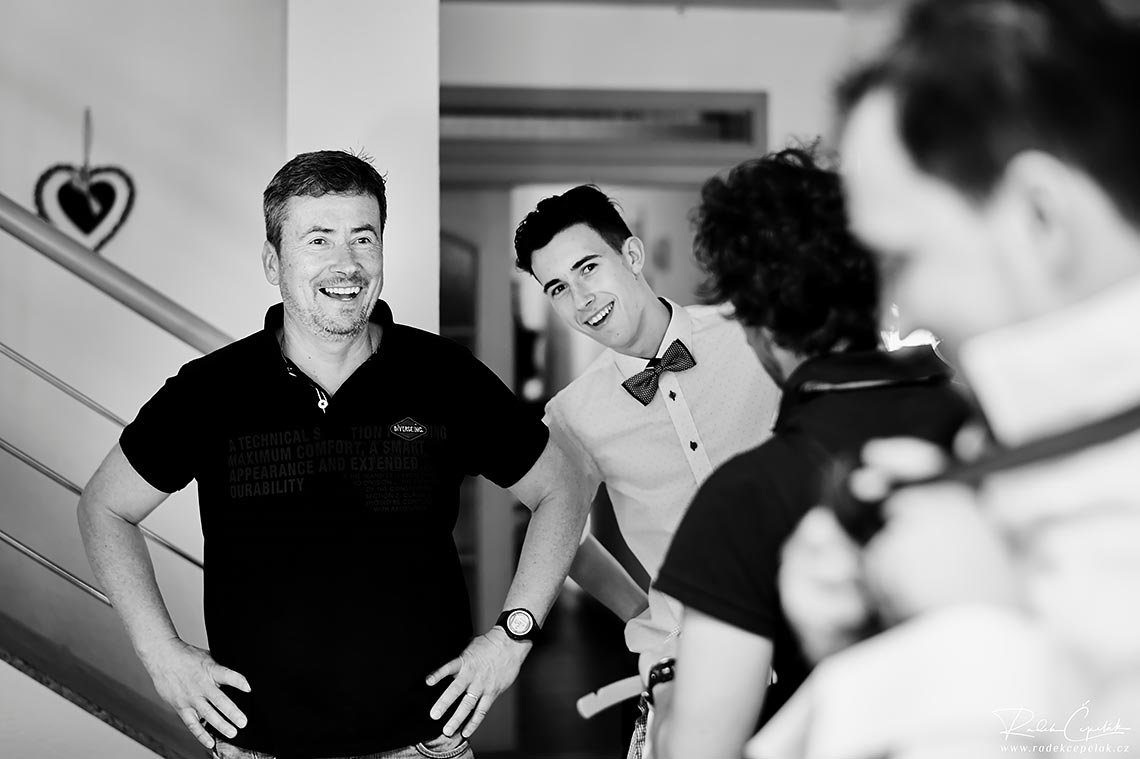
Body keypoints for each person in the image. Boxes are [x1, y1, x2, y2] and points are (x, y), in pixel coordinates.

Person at [77, 150, 591, 759]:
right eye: (318, 239)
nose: (346, 264)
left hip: (423, 745)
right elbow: (104, 507)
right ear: (273, 261)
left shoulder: (445, 376)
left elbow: (562, 488)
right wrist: (160, 652)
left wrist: (513, 636)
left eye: (363, 239)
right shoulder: (210, 390)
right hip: (259, 746)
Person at [751, 1, 1140, 757]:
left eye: (901, 258)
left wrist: (972, 641)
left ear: (1039, 218)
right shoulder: (1020, 441)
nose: (891, 313)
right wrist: (876, 642)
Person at [647, 146, 972, 759]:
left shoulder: (745, 496)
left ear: (755, 324)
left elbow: (699, 751)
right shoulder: (993, 427)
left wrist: (667, 697)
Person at [513, 184, 782, 758]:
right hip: (692, 665)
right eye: (558, 287)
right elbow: (566, 537)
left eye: (588, 267)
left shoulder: (753, 335)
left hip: (820, 628)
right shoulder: (572, 415)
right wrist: (645, 613)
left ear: (631, 256)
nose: (581, 297)